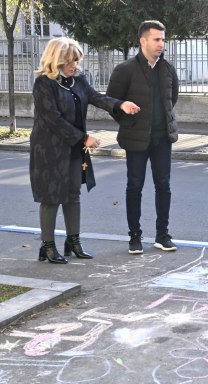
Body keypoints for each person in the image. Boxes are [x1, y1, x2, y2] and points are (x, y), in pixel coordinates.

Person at [30, 37, 140, 264]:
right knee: (52, 197)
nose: (74, 65)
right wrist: (84, 138)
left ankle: (73, 241)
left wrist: (120, 104)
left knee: (73, 194)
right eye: (69, 61)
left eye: (76, 60)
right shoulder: (43, 84)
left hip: (73, 148)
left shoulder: (78, 81)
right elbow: (53, 119)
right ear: (56, 60)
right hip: (49, 149)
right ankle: (48, 246)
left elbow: (96, 97)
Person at [106, 20, 179, 255]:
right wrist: (130, 123)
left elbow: (172, 99)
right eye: (157, 39)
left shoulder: (168, 69)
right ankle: (134, 236)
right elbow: (112, 102)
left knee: (164, 185)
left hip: (163, 138)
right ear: (143, 41)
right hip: (136, 139)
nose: (161, 44)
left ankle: (162, 235)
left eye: (163, 40)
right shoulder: (125, 70)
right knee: (134, 186)